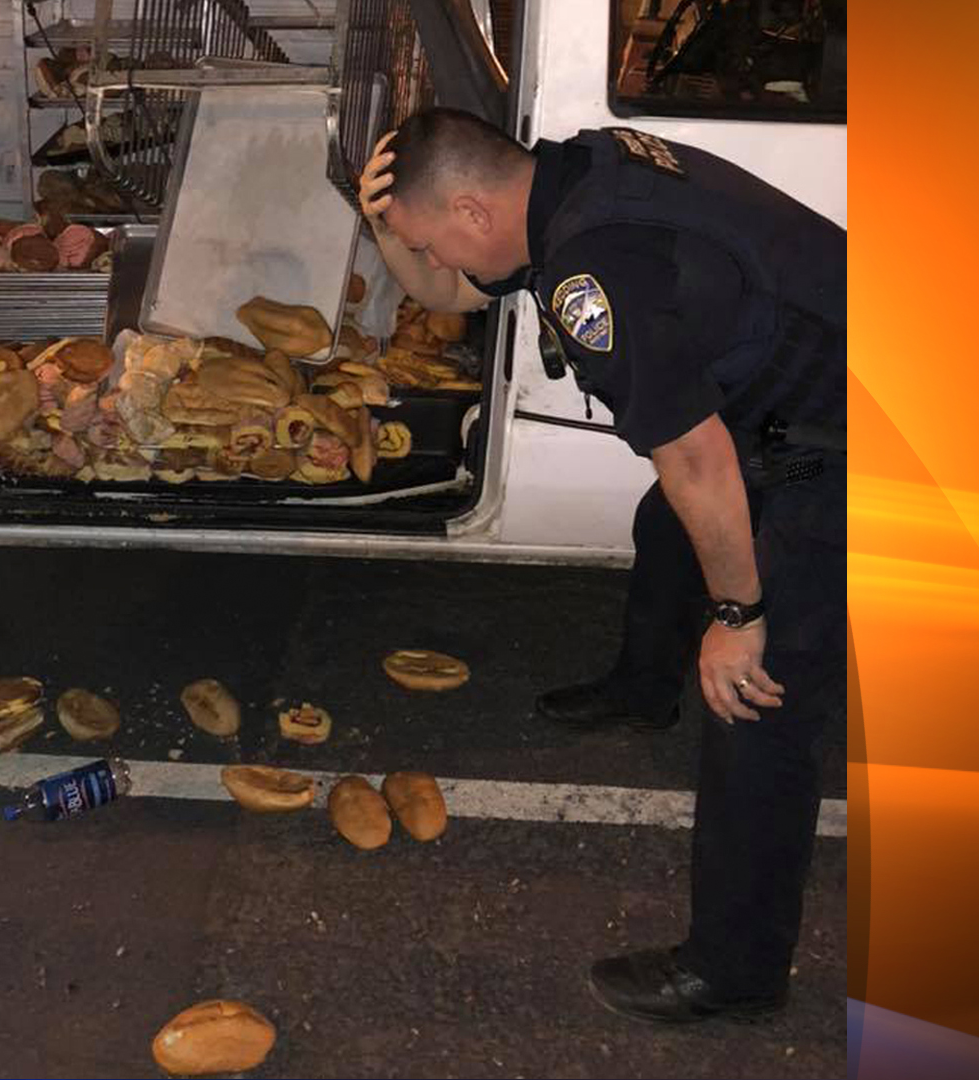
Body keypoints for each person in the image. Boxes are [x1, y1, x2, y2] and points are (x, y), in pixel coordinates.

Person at [359, 107, 845, 1023]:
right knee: (672, 521)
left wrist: (739, 618)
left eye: (436, 241)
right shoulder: (565, 178)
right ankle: (640, 688)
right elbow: (451, 297)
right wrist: (390, 225)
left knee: (761, 697)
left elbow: (697, 457)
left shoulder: (594, 269)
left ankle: (735, 969)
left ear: (471, 208)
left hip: (854, 435)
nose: (444, 264)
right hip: (808, 394)